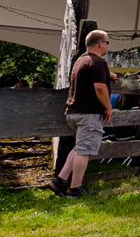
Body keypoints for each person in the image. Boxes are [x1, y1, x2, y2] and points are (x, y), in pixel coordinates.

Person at [49, 29, 118, 197]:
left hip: (74, 112)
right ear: (100, 43)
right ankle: (75, 188)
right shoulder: (98, 62)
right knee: (84, 151)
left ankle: (60, 181)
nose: (107, 46)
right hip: (89, 114)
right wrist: (108, 107)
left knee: (79, 147)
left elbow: (90, 74)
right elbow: (99, 87)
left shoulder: (81, 60)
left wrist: (109, 74)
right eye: (107, 42)